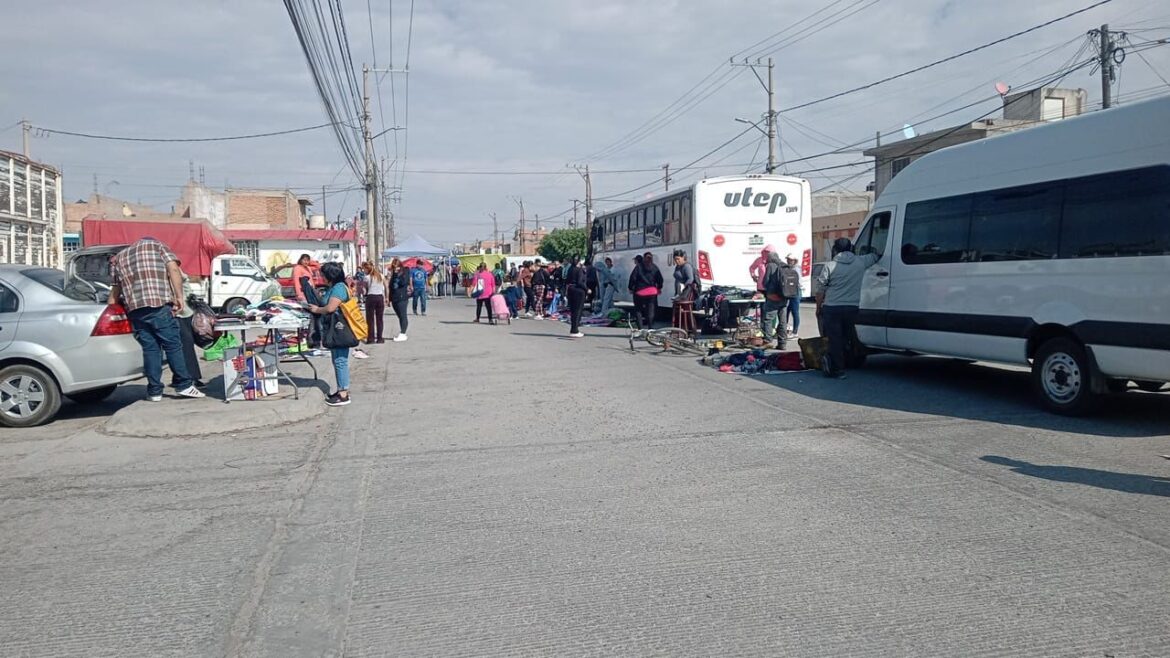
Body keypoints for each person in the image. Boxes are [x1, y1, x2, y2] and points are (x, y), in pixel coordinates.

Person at [108, 238, 205, 402]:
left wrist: (110, 309)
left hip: (136, 310)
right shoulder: (157, 246)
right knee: (173, 345)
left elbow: (115, 289)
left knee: (151, 349)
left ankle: (154, 391)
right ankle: (184, 385)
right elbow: (173, 269)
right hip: (158, 305)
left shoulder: (120, 257)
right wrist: (179, 297)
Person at [816, 237, 880, 379]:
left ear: (835, 250)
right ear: (851, 248)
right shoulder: (861, 261)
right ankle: (845, 362)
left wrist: (818, 307)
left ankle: (838, 369)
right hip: (852, 308)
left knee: (835, 339)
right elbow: (876, 255)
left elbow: (820, 290)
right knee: (846, 337)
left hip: (832, 308)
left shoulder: (830, 266)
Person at [306, 262, 354, 406]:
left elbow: (331, 308)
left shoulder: (339, 288)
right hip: (335, 329)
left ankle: (343, 394)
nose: (321, 277)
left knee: (340, 361)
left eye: (323, 275)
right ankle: (341, 390)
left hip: (340, 328)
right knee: (337, 360)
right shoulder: (335, 287)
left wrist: (316, 310)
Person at [173, 275, 206, 390]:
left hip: (186, 309)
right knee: (185, 344)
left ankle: (186, 377)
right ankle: (189, 377)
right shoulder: (169, 266)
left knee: (185, 344)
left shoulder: (173, 267)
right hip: (179, 311)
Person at [761, 250, 787, 350]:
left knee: (768, 319)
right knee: (782, 321)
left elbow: (765, 282)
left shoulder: (770, 266)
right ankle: (782, 343)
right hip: (784, 297)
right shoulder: (784, 265)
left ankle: (768, 340)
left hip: (772, 297)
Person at [629, 253, 663, 329]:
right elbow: (660, 279)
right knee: (651, 310)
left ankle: (640, 329)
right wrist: (659, 288)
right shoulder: (654, 267)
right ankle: (650, 328)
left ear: (643, 258)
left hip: (639, 291)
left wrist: (630, 288)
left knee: (638, 310)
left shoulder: (638, 267)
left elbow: (632, 278)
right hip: (652, 292)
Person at [387, 258, 411, 341]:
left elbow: (404, 282)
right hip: (394, 298)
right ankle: (402, 333)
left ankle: (403, 333)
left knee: (403, 315)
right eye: (394, 267)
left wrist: (398, 275)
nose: (395, 269)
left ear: (400, 266)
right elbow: (390, 286)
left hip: (402, 297)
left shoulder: (405, 271)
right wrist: (389, 299)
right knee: (399, 316)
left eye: (396, 266)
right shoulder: (393, 274)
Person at [362, 262, 386, 344]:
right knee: (380, 319)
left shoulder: (366, 278)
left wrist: (362, 292)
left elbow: (364, 290)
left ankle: (371, 339)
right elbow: (386, 287)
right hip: (379, 297)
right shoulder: (381, 276)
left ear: (367, 269)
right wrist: (386, 297)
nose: (363, 271)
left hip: (371, 297)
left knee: (370, 319)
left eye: (364, 269)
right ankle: (380, 338)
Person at [565, 257, 588, 337]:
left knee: (573, 310)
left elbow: (567, 280)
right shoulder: (579, 270)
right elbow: (580, 282)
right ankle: (575, 330)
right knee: (578, 310)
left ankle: (573, 329)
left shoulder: (570, 269)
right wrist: (587, 289)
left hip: (571, 289)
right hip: (578, 291)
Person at [784, 253, 802, 338]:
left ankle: (795, 332)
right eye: (788, 259)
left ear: (794, 261)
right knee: (786, 311)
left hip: (795, 292)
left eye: (790, 259)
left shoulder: (796, 269)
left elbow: (798, 282)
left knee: (795, 312)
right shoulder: (789, 268)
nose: (788, 261)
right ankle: (784, 330)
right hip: (788, 292)